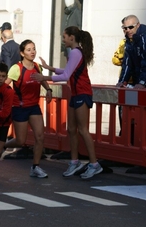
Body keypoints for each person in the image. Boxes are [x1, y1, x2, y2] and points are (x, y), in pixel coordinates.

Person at [35, 26, 102, 179]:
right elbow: (67, 71)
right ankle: (74, 161)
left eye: (64, 37)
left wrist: (44, 77)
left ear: (72, 38)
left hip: (82, 93)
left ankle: (94, 164)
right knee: (71, 129)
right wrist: (49, 68)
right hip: (76, 93)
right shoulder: (75, 52)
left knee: (82, 130)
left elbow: (66, 75)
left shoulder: (76, 52)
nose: (63, 39)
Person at [4, 39, 52, 178]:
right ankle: (1, 146)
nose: (32, 52)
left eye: (34, 49)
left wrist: (48, 89)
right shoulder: (16, 68)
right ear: (22, 53)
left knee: (40, 136)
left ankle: (35, 167)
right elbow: (6, 85)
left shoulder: (37, 66)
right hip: (19, 107)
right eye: (29, 50)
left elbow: (41, 79)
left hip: (33, 106)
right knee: (20, 141)